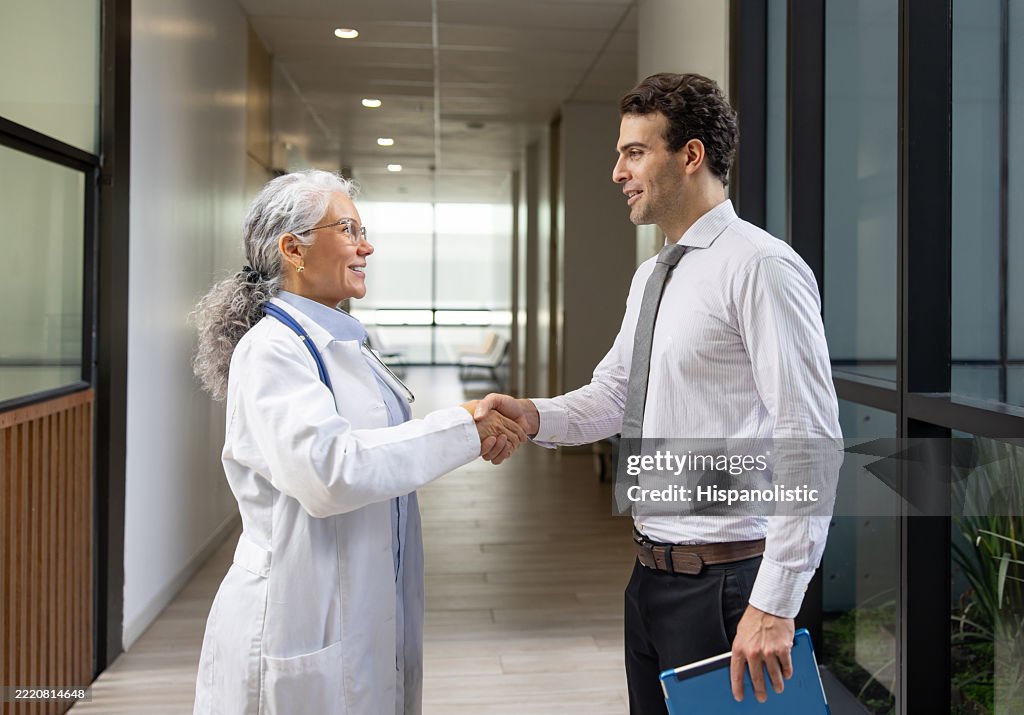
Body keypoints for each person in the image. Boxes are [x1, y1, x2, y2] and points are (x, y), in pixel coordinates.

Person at [474, 72, 841, 711]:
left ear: (691, 155)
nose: (618, 171)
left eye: (634, 152)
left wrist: (774, 605)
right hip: (650, 578)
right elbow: (615, 394)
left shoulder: (761, 268)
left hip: (730, 586)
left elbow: (809, 436)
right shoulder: (653, 275)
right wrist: (533, 416)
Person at [190, 170, 525, 714]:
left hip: (364, 597)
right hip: (299, 610)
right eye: (348, 229)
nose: (366, 246)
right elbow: (330, 473)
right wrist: (463, 429)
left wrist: (464, 424)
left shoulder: (343, 344)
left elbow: (380, 449)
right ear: (293, 249)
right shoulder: (272, 351)